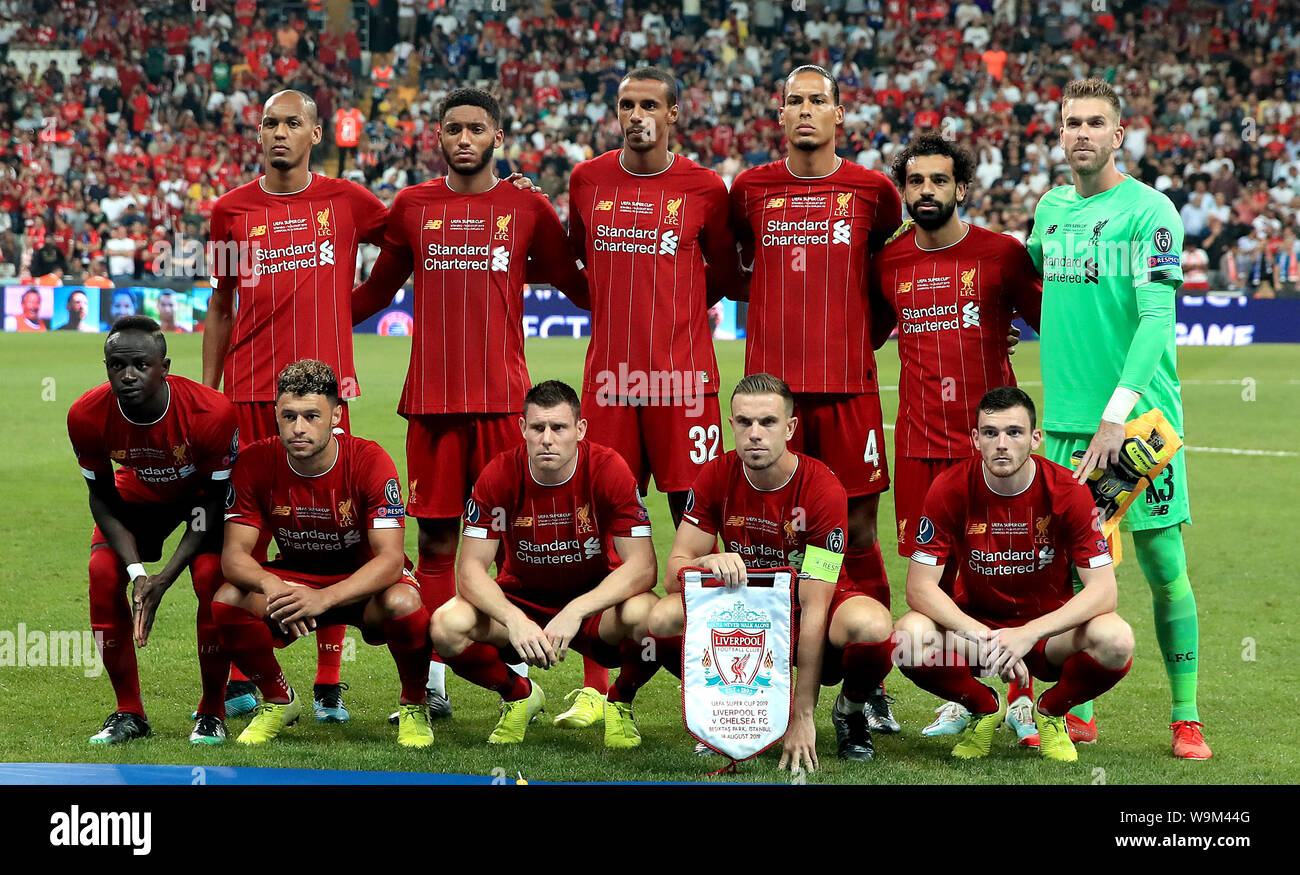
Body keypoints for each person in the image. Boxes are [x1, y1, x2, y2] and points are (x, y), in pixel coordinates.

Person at [351, 88, 590, 725]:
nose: (463, 138)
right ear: (438, 136)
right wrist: (306, 316)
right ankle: (434, 680)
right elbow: (376, 290)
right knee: (434, 539)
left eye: (475, 128)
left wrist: (667, 284)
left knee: (516, 542)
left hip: (503, 403)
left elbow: (574, 281)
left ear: (497, 137)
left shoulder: (527, 205)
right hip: (431, 403)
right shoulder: (412, 206)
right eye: (452, 127)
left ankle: (520, 658)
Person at [1027, 78, 1210, 759]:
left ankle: (1185, 715)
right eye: (1070, 121)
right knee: (1076, 571)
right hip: (1072, 424)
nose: (1080, 132)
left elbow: (1158, 321)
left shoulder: (1150, 212)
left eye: (1094, 122)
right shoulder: (1049, 210)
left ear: (1118, 134)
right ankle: (1079, 710)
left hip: (1139, 427)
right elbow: (1037, 285)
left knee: (1164, 564)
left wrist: (1117, 414)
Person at [559, 65, 744, 724]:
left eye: (649, 105)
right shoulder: (586, 180)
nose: (636, 114)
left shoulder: (704, 188)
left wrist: (678, 322)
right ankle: (596, 687)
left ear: (673, 115)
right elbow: (577, 268)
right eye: (625, 104)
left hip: (684, 384)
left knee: (699, 528)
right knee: (601, 532)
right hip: (609, 383)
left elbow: (723, 271)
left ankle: (724, 688)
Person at [205, 89, 389, 722]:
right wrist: (210, 394)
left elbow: (417, 238)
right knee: (247, 541)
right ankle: (246, 676)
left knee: (336, 534)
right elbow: (222, 306)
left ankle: (329, 680)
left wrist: (349, 310)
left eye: (292, 124)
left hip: (322, 398)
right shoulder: (230, 210)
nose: (279, 133)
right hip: (251, 393)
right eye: (268, 124)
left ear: (316, 134)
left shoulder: (348, 201)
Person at [729, 65, 903, 731]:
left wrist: (863, 339)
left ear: (839, 116)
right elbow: (730, 265)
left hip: (850, 391)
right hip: (773, 397)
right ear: (780, 114)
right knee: (768, 537)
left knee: (858, 530)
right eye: (794, 100)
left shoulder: (872, 191)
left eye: (818, 101)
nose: (806, 110)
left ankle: (868, 678)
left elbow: (887, 277)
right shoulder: (749, 190)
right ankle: (764, 681)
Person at [869, 133, 1044, 744]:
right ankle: (971, 699)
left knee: (1008, 574)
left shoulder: (1001, 255)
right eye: (915, 182)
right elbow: (864, 332)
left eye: (939, 181)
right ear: (904, 189)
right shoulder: (889, 261)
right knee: (934, 586)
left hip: (994, 448)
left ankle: (1023, 695)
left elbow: (1054, 322)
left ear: (961, 188)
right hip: (918, 444)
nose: (926, 191)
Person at [648, 374, 896, 767]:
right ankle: (732, 708)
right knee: (662, 619)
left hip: (813, 607)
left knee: (872, 626)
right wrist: (707, 561)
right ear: (731, 426)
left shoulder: (822, 489)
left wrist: (801, 716)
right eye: (744, 422)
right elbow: (672, 574)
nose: (755, 434)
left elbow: (815, 608)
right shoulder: (715, 475)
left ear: (790, 427)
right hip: (747, 608)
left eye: (768, 422)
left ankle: (849, 711)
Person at [894, 387, 1134, 762]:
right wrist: (988, 638)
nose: (1002, 443)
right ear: (975, 439)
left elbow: (1104, 592)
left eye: (1014, 432)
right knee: (907, 637)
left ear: (1035, 439)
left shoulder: (1068, 490)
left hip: (1047, 635)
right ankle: (983, 707)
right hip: (978, 632)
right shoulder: (950, 487)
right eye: (990, 433)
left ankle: (1051, 712)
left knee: (1116, 639)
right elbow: (919, 588)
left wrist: (1028, 634)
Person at [213, 360, 435, 747]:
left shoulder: (369, 460)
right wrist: (272, 584)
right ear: (275, 415)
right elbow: (234, 556)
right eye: (289, 416)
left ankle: (415, 703)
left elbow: (390, 559)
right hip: (296, 579)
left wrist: (325, 598)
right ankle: (279, 699)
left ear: (336, 415)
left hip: (364, 584)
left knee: (404, 601)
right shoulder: (253, 463)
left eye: (312, 416)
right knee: (228, 600)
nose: (299, 428)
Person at [428, 380, 662, 748]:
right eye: (538, 428)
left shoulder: (608, 468)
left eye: (559, 428)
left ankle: (619, 699)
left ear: (580, 430)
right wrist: (513, 619)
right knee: (446, 625)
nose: (547, 439)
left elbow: (644, 567)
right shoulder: (499, 474)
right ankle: (518, 694)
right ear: (523, 429)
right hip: (524, 603)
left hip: (595, 609)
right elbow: (470, 570)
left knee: (651, 617)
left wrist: (577, 610)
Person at [66, 316, 238, 744]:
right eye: (116, 365)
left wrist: (165, 578)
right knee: (104, 574)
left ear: (165, 366)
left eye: (141, 365)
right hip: (136, 494)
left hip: (200, 498)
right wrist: (137, 573)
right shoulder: (86, 415)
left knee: (210, 579)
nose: (127, 375)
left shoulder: (211, 412)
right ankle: (129, 712)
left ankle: (212, 710)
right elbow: (102, 498)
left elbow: (214, 503)